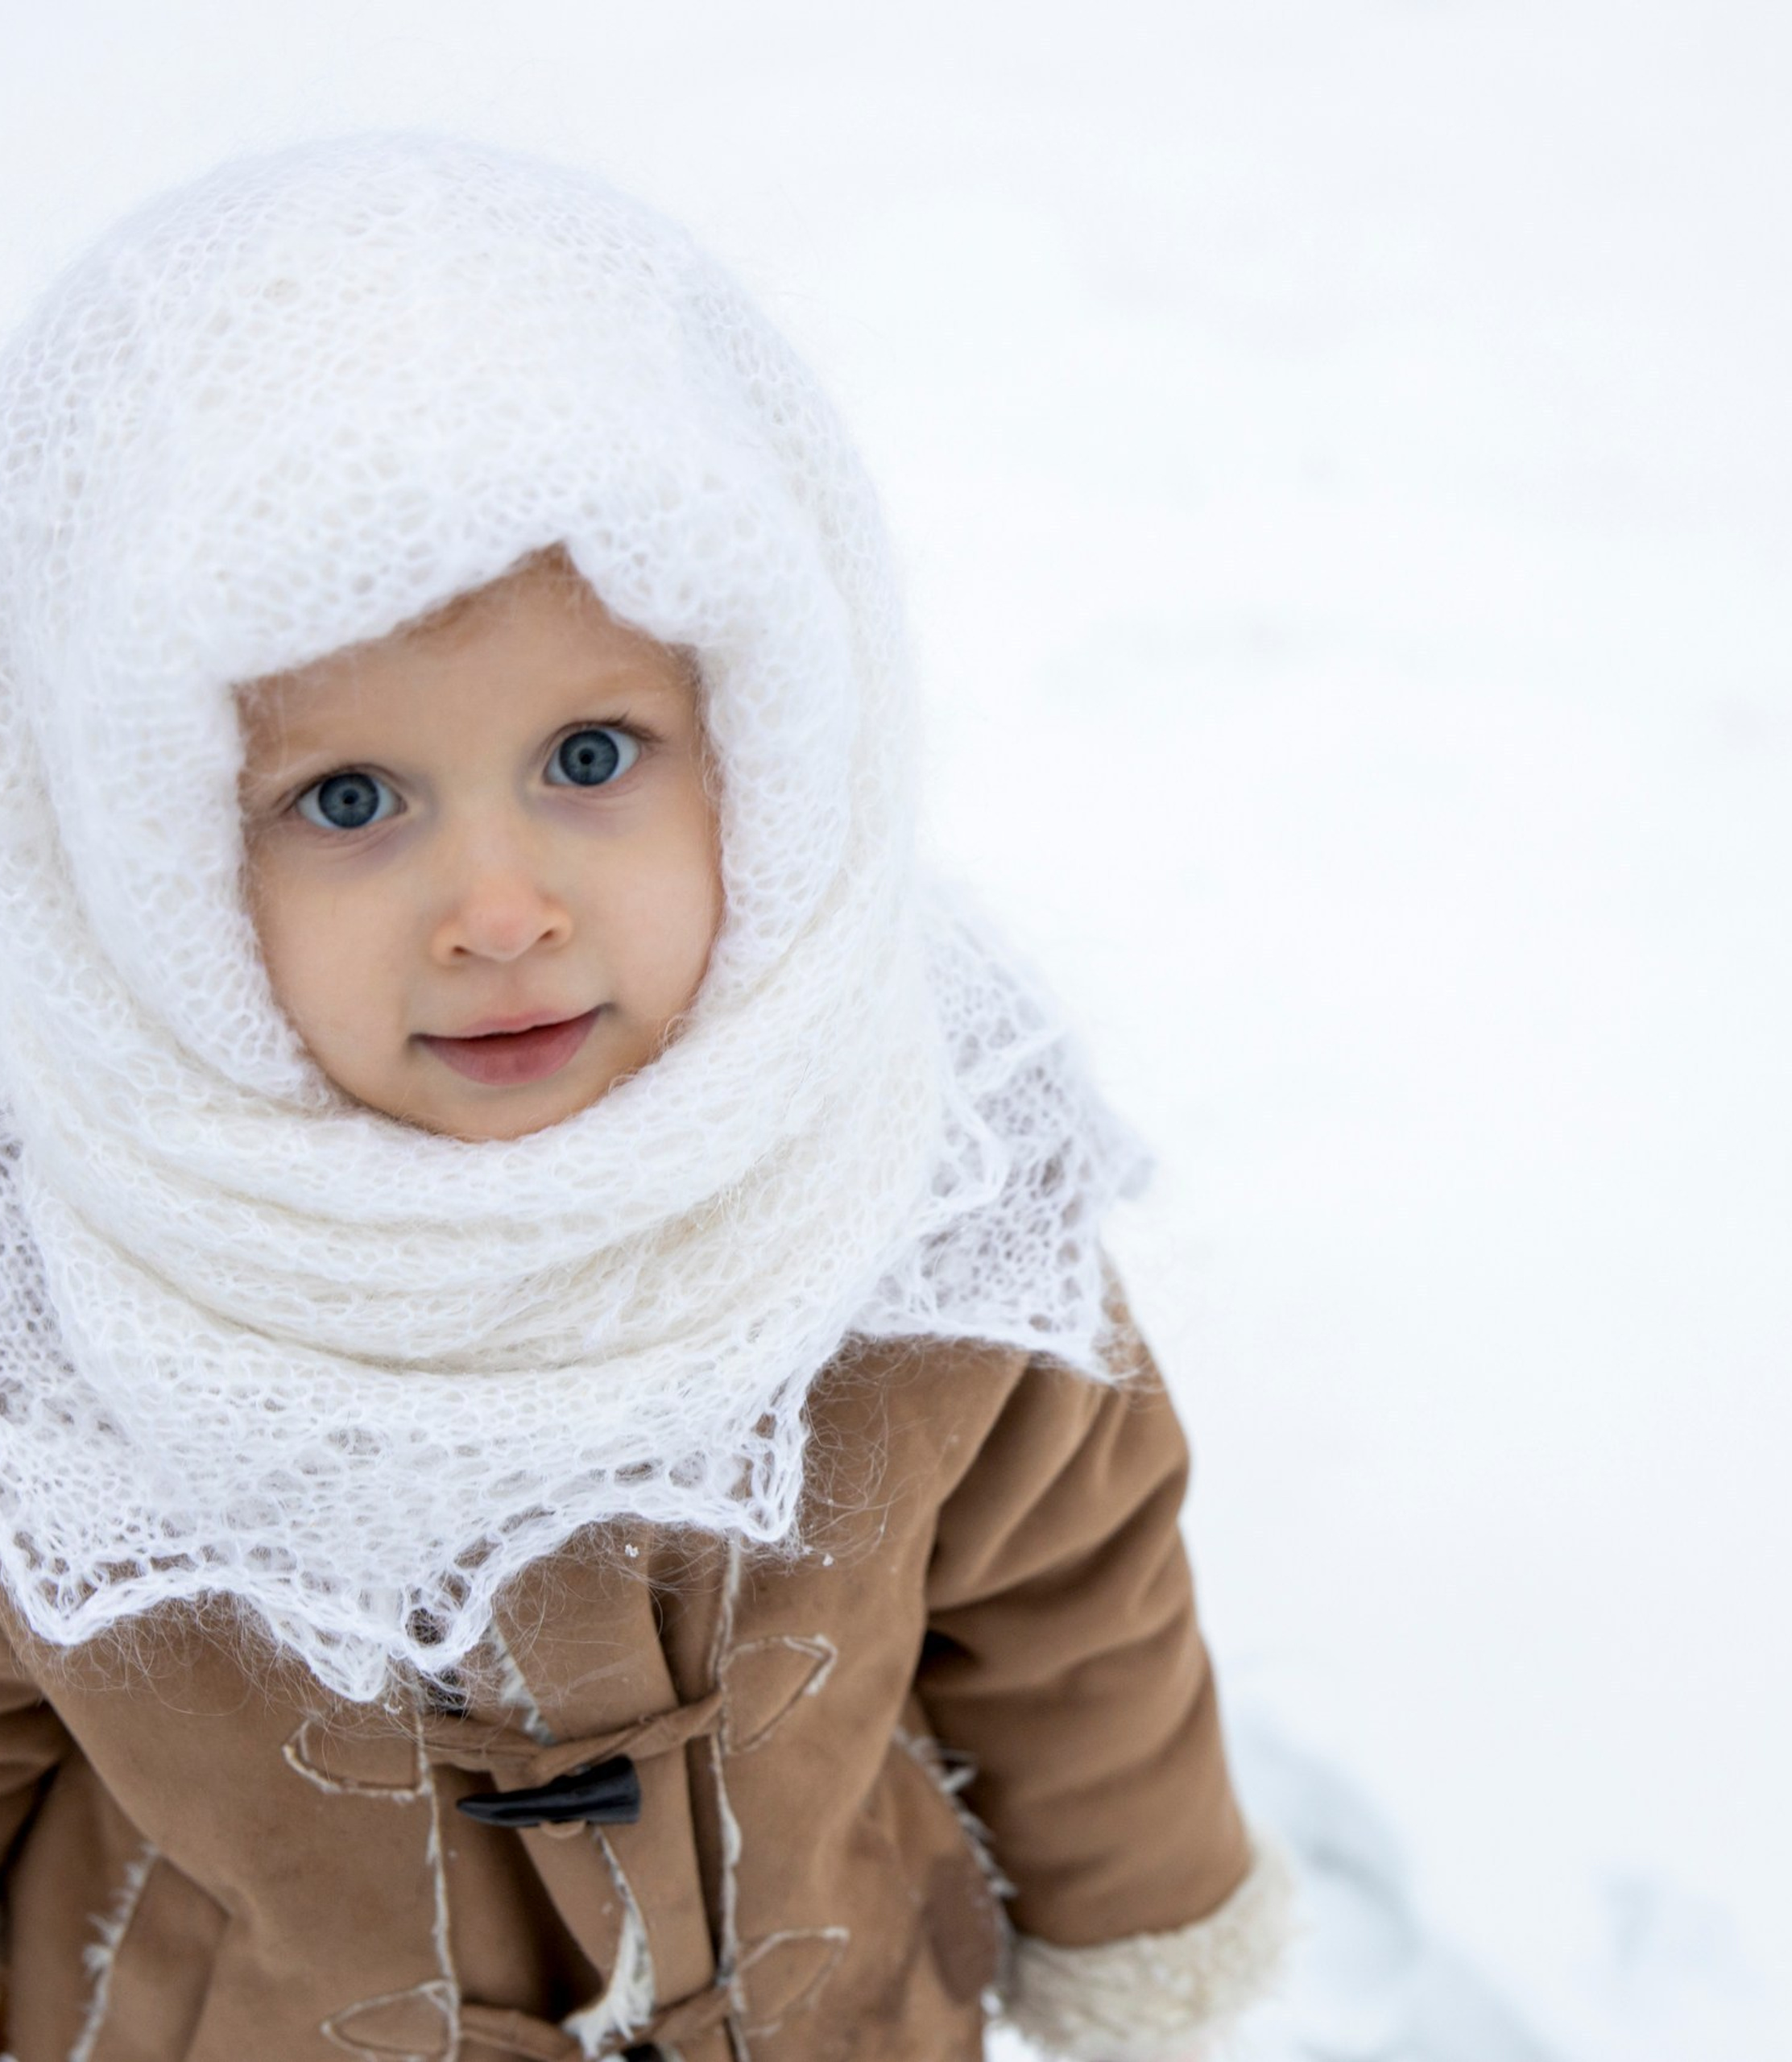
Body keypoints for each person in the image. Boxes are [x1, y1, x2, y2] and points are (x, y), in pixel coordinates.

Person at [0, 135, 1293, 2061]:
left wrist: (1135, 1914)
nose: (500, 912)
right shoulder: (74, 1291)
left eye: (591, 751)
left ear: (760, 734)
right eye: (348, 801)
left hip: (843, 2003)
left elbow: (1069, 1601)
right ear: (139, 851)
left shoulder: (902, 1156)